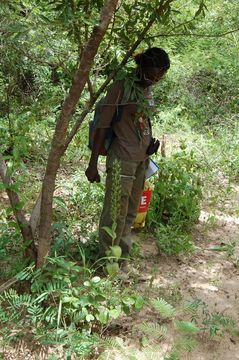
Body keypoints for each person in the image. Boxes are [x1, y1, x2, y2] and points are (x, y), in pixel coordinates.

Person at [85, 47, 170, 257]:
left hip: (141, 159)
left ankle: (121, 256)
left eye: (161, 75)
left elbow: (141, 120)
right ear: (143, 66)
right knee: (115, 212)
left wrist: (149, 145)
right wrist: (92, 163)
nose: (157, 79)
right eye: (155, 73)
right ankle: (108, 259)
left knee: (131, 211)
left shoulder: (146, 88)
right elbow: (102, 126)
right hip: (123, 158)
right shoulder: (120, 88)